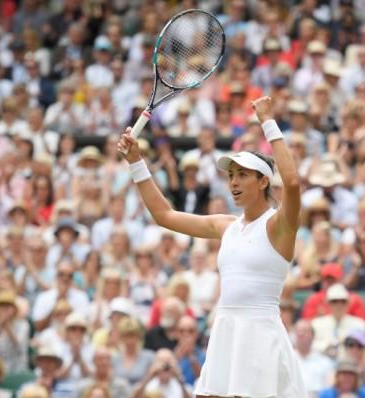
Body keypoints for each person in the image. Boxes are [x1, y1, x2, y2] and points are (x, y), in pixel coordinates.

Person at [117, 95, 307, 397]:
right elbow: (164, 215)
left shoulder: (279, 225)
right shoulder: (225, 226)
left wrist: (268, 121)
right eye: (231, 175)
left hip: (260, 335)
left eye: (242, 175)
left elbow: (294, 183)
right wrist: (136, 162)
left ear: (262, 182)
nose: (233, 182)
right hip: (225, 332)